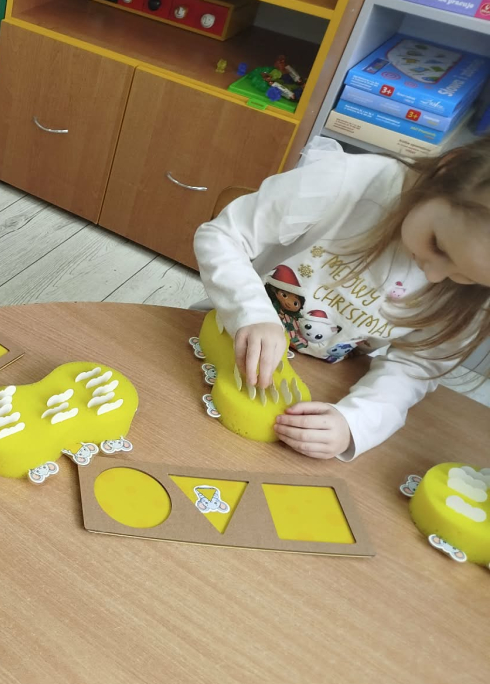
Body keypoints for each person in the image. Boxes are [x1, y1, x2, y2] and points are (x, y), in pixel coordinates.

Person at [194, 136, 490, 461]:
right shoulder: (344, 181)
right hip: (222, 330)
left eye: (467, 278)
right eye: (439, 246)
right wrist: (252, 313)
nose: (433, 275)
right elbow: (222, 236)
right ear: (445, 171)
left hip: (323, 376)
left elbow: (418, 365)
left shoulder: (474, 290)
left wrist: (356, 422)